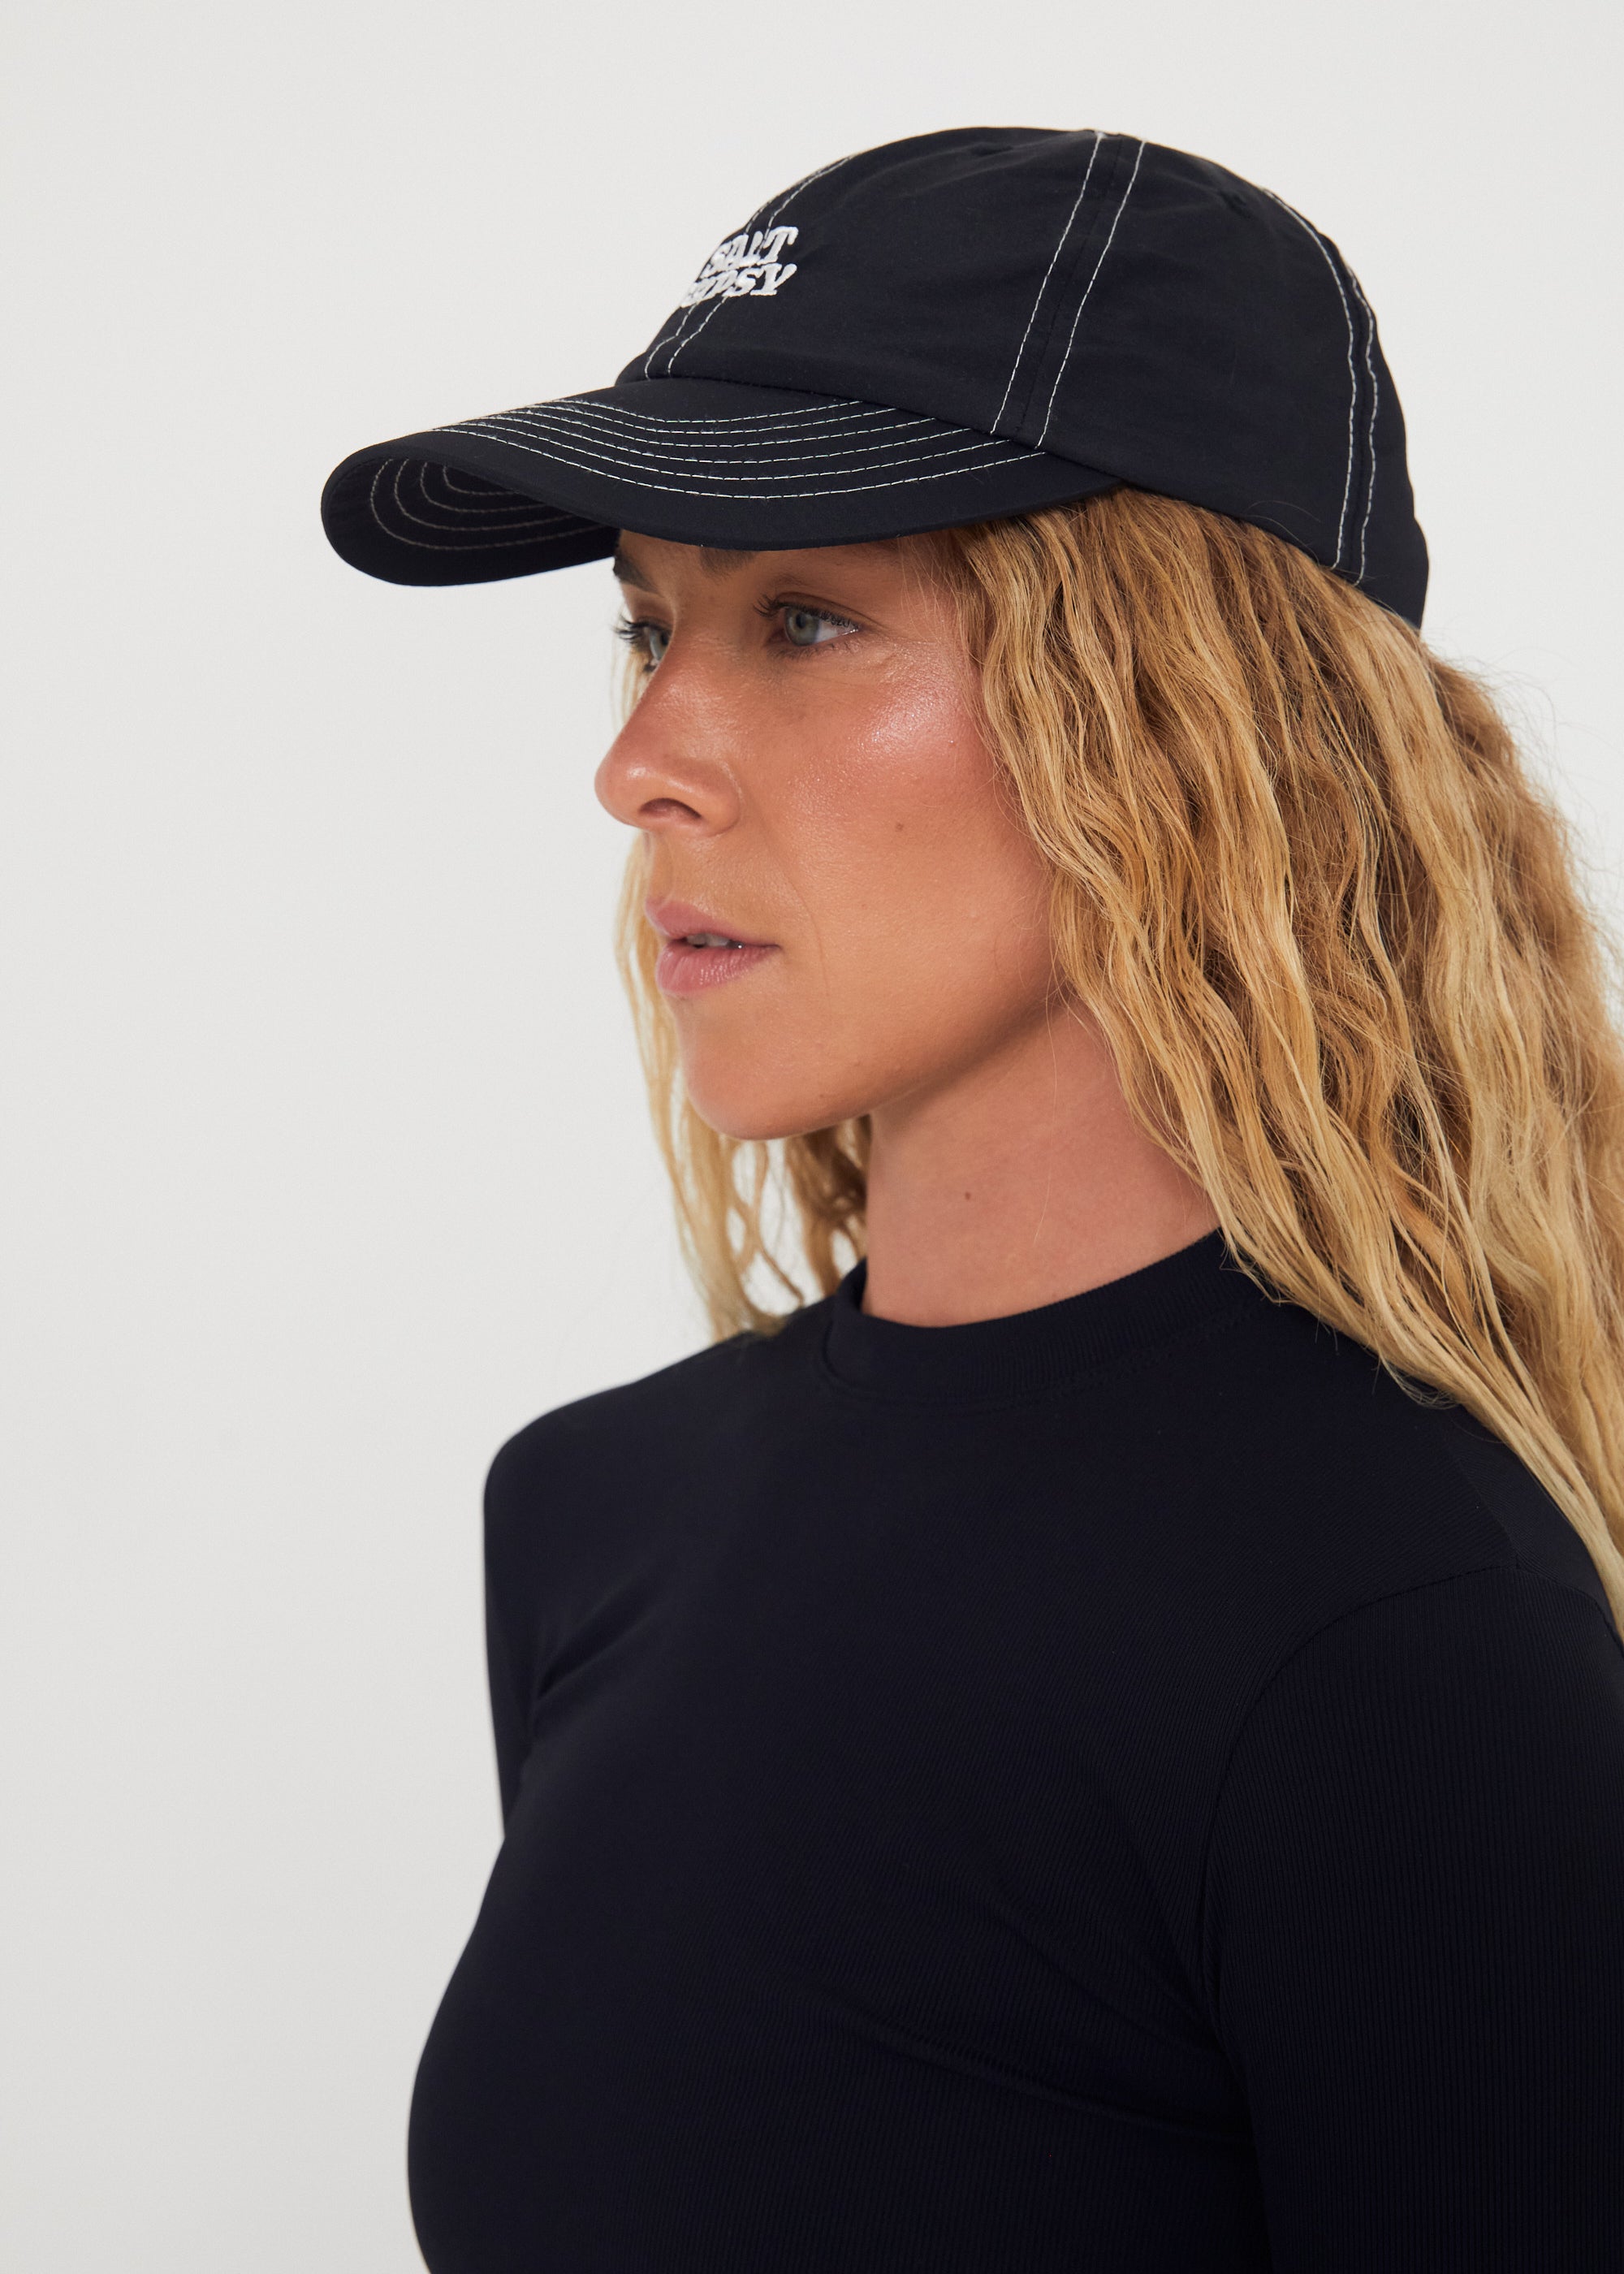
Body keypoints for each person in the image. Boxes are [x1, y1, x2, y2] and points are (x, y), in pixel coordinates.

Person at [322, 129, 1624, 2272]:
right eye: (646, 623)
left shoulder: (1391, 1642)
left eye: (806, 618)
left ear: (1190, 723)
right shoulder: (588, 1516)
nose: (642, 757)